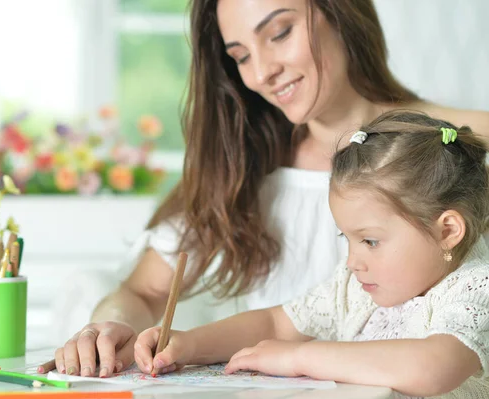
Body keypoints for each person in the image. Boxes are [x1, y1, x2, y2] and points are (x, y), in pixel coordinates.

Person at [54, 0, 489, 378]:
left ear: (339, 14)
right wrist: (105, 331)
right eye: (241, 56)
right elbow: (143, 292)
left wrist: (303, 356)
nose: (262, 73)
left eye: (279, 33)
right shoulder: (244, 170)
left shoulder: (465, 146)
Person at [134, 111, 489, 398]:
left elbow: (432, 367)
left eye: (370, 241)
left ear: (447, 231)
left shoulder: (476, 288)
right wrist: (190, 343)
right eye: (346, 238)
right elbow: (277, 323)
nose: (352, 261)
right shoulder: (356, 287)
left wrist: (298, 357)